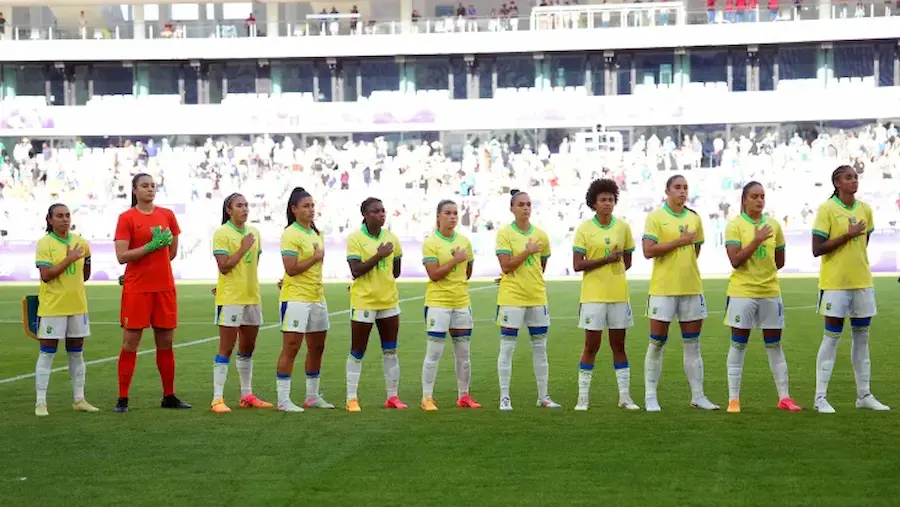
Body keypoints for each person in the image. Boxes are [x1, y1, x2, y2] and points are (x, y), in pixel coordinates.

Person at [811, 165, 890, 413]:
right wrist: (847, 235)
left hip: (862, 282)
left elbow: (863, 244)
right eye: (848, 177)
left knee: (862, 338)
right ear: (837, 183)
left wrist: (853, 237)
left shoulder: (865, 209)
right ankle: (820, 397)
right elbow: (817, 248)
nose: (854, 181)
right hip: (835, 284)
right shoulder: (827, 209)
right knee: (831, 337)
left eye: (856, 177)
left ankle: (864, 395)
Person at [113, 173, 191, 413]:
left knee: (166, 341)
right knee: (131, 341)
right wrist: (150, 247)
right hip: (138, 289)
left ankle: (169, 395)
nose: (150, 189)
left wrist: (157, 255)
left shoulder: (167, 215)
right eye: (144, 186)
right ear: (134, 190)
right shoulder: (127, 218)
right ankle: (123, 398)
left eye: (152, 186)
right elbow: (121, 256)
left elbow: (172, 252)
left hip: (164, 287)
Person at [641, 175, 718, 412]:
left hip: (691, 288)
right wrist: (679, 241)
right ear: (667, 191)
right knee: (657, 343)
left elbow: (696, 250)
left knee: (693, 345)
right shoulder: (655, 217)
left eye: (685, 187)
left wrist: (684, 249)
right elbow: (648, 251)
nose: (682, 191)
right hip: (663, 290)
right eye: (677, 187)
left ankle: (698, 395)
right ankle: (650, 396)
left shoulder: (694, 218)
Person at [723, 182, 801, 413]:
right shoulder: (735, 225)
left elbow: (780, 261)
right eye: (754, 196)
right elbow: (735, 260)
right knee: (738, 344)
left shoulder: (774, 225)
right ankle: (733, 399)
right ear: (744, 199)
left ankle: (784, 398)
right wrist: (756, 241)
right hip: (742, 292)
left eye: (762, 196)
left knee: (774, 344)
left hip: (770, 292)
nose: (759, 200)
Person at [572, 179, 639, 411]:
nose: (608, 203)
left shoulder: (623, 227)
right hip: (593, 297)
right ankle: (582, 398)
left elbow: (627, 261)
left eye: (611, 199)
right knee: (591, 346)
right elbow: (578, 265)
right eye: (603, 199)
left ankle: (625, 397)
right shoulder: (584, 229)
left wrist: (614, 270)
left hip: (619, 296)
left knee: (619, 346)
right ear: (594, 203)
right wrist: (606, 261)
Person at [495, 189, 560, 411]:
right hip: (512, 297)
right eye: (521, 204)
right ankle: (505, 397)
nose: (525, 208)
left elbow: (541, 266)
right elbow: (506, 266)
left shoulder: (541, 235)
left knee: (540, 348)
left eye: (529, 204)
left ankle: (543, 396)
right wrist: (527, 251)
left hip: (537, 296)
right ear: (512, 208)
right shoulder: (505, 233)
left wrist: (529, 259)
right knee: (507, 347)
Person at [32, 203, 99, 417]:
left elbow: (86, 273)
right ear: (49, 220)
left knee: (76, 353)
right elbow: (46, 275)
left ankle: (79, 399)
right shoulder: (45, 243)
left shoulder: (82, 242)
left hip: (78, 306)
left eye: (67, 215)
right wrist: (69, 259)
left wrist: (79, 262)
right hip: (53, 307)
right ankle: (40, 402)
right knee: (47, 353)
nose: (65, 219)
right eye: (59, 216)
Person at [209, 193, 272, 414]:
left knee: (248, 347)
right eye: (239, 205)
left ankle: (247, 394)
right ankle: (217, 398)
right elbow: (224, 266)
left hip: (252, 296)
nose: (244, 209)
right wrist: (243, 247)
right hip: (231, 298)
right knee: (226, 347)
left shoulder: (255, 232)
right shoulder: (222, 233)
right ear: (229, 210)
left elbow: (254, 264)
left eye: (246, 205)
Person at [345, 197, 406, 412]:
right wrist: (378, 256)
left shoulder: (392, 238)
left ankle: (393, 396)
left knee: (391, 351)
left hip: (388, 301)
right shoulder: (355, 238)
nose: (381, 214)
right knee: (358, 350)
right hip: (364, 302)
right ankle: (351, 398)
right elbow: (356, 270)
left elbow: (396, 270)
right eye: (375, 211)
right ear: (365, 214)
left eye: (383, 210)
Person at [277, 187, 334, 412]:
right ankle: (283, 399)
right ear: (294, 209)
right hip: (296, 298)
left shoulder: (316, 233)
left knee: (317, 347)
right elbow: (291, 269)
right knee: (291, 347)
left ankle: (312, 396)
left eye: (312, 205)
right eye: (305, 206)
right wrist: (315, 257)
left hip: (317, 297)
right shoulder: (291, 234)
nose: (311, 210)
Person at [420, 199, 481, 411]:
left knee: (463, 353)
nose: (453, 216)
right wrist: (455, 261)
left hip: (461, 301)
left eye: (455, 213)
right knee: (434, 351)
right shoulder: (431, 242)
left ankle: (464, 395)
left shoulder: (464, 241)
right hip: (438, 302)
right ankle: (427, 397)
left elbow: (469, 271)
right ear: (438, 216)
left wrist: (458, 267)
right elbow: (434, 274)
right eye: (448, 213)